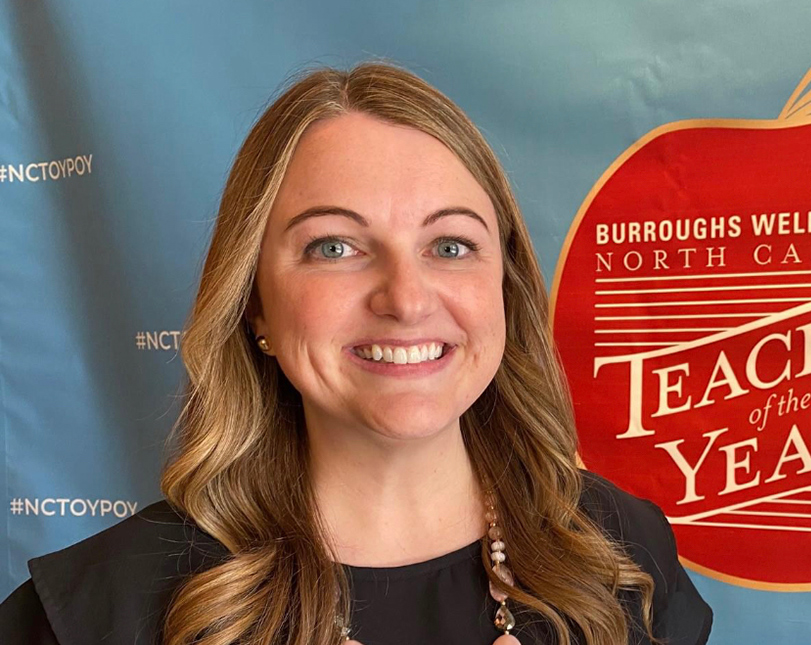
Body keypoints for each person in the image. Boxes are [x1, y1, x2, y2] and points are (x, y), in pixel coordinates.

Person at [0, 61, 713, 645]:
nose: (406, 298)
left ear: (505, 287)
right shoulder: (98, 610)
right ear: (254, 305)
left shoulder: (623, 555)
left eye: (450, 245)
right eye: (334, 247)